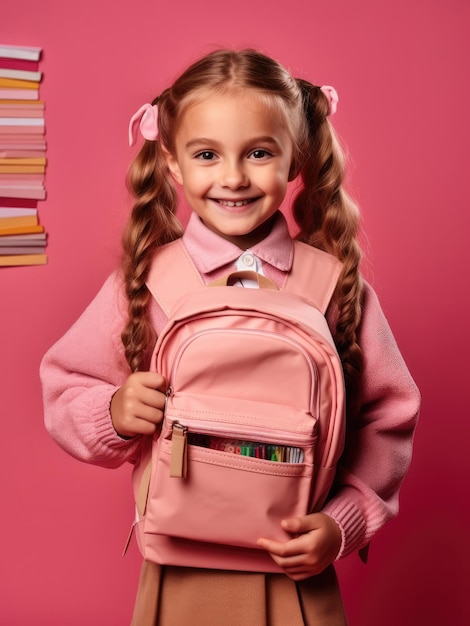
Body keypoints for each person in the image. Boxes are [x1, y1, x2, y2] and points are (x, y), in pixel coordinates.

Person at [40, 48, 420, 625]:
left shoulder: (333, 284)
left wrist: (342, 522)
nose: (234, 177)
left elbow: (387, 419)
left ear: (297, 159)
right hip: (179, 569)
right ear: (172, 163)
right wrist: (114, 413)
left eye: (260, 153)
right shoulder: (148, 281)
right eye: (207, 154)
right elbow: (65, 386)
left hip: (295, 568)